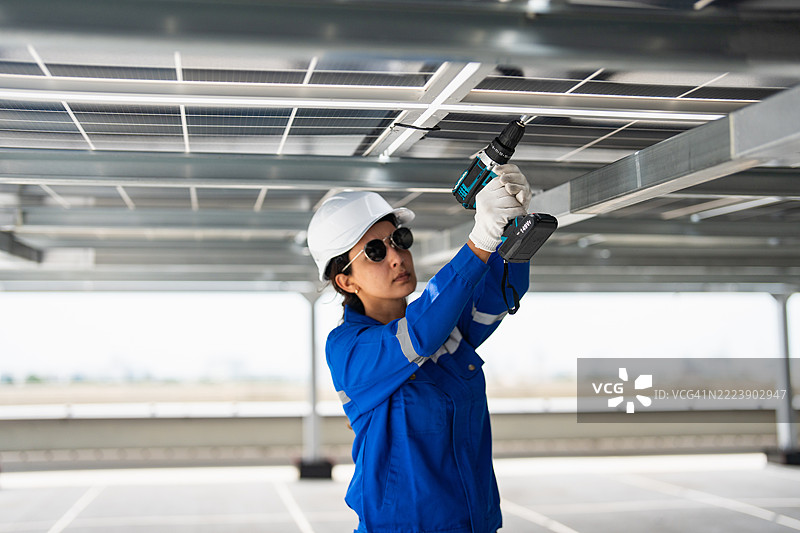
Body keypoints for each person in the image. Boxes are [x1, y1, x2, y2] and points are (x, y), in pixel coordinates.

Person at [306, 165, 533, 533]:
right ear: (345, 281)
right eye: (375, 252)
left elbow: (496, 295)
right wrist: (481, 237)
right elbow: (417, 334)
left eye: (399, 239)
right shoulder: (348, 350)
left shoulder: (443, 325)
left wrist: (512, 227)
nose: (396, 256)